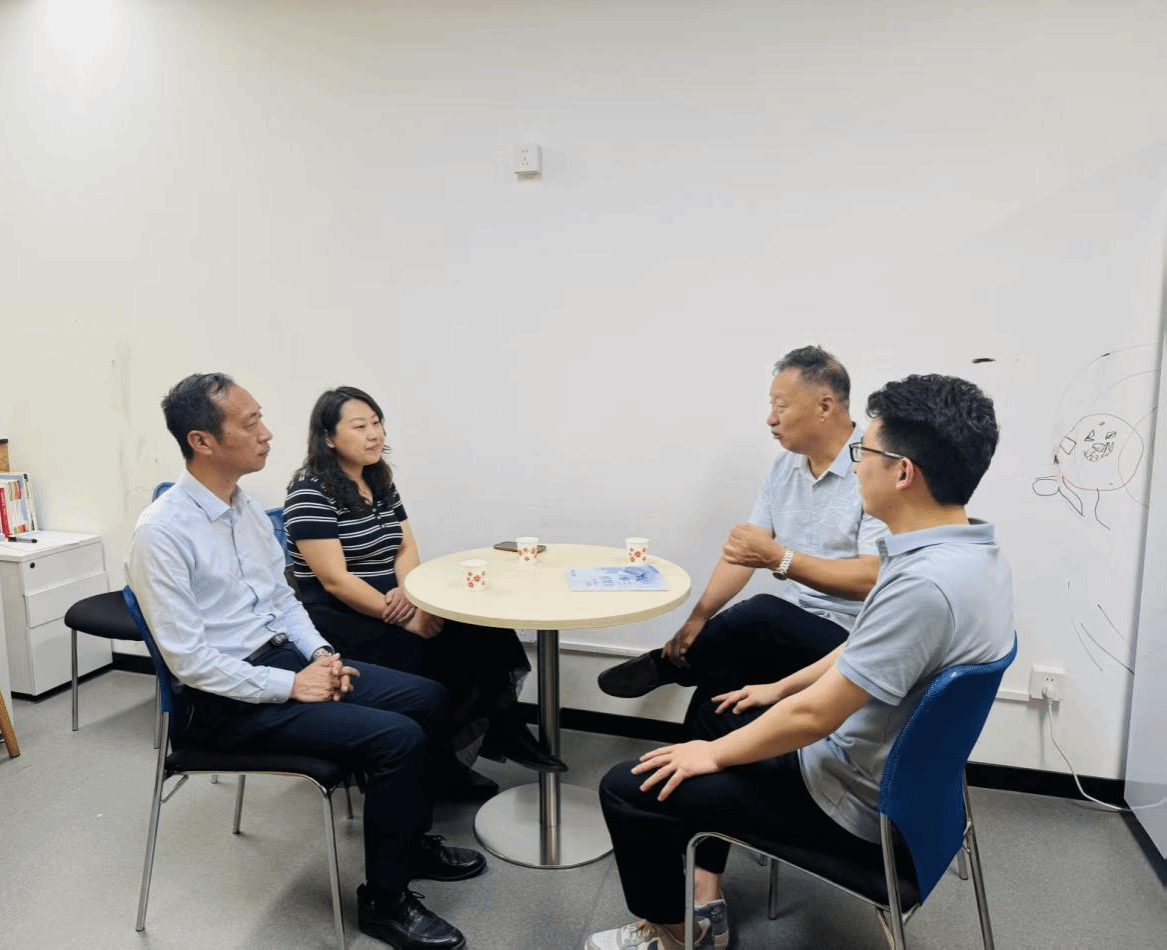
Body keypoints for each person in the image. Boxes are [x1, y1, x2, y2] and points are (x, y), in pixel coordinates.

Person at [585, 373, 1014, 950]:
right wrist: (777, 688)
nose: (857, 467)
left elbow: (816, 717)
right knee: (720, 708)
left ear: (903, 473)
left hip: (849, 805)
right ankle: (705, 890)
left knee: (628, 787)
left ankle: (678, 935)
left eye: (866, 453)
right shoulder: (971, 553)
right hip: (902, 788)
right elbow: (861, 647)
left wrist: (712, 754)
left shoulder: (923, 586)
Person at [127, 373, 485, 950]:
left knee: (428, 697)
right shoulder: (162, 533)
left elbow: (284, 601)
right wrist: (291, 685)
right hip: (221, 704)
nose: (267, 433)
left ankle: (408, 844)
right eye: (251, 423)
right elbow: (189, 660)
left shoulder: (244, 509)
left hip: (285, 662)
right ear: (203, 441)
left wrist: (321, 655)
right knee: (397, 740)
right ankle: (386, 903)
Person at [283, 385, 565, 799]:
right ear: (328, 438)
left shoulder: (377, 478)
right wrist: (404, 618)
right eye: (359, 426)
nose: (374, 434)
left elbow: (405, 546)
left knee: (483, 626)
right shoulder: (309, 493)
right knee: (438, 654)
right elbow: (335, 580)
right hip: (341, 617)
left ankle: (498, 728)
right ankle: (439, 765)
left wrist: (409, 593)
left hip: (393, 598)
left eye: (377, 423)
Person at [598, 345, 887, 730]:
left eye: (781, 406)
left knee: (763, 613)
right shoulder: (784, 466)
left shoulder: (875, 468)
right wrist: (698, 619)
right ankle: (686, 755)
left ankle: (672, 666)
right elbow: (744, 552)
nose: (771, 419)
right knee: (723, 673)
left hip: (850, 636)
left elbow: (870, 578)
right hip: (792, 625)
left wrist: (779, 559)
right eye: (771, 405)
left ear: (824, 406)